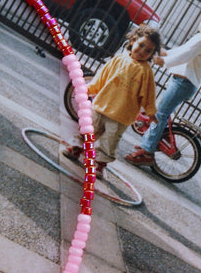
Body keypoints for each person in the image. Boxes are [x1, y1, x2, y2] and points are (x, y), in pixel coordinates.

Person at [125, 6, 201, 167]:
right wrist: (163, 52)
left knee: (160, 114)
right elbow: (182, 51)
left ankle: (147, 151)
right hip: (182, 82)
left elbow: (185, 55)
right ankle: (150, 141)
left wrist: (164, 61)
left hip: (183, 83)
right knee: (162, 112)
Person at [63, 24, 162, 178]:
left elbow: (148, 94)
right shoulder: (119, 59)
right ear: (133, 40)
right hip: (102, 105)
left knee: (109, 143)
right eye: (141, 45)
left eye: (148, 51)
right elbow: (102, 77)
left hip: (121, 115)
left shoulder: (145, 71)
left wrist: (150, 112)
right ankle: (76, 148)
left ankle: (100, 165)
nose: (142, 51)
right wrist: (89, 89)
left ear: (151, 54)